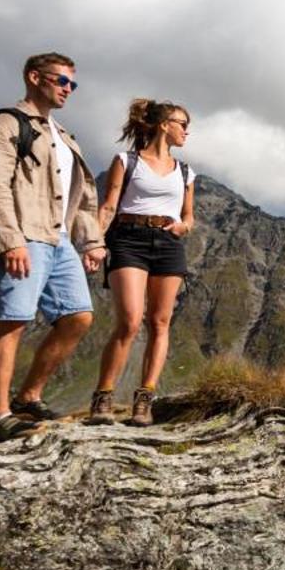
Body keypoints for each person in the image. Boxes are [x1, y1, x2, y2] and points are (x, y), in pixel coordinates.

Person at [0, 52, 106, 439]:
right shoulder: (5, 124)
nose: (68, 89)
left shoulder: (64, 136)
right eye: (62, 81)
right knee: (13, 319)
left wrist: (92, 242)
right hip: (25, 234)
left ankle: (29, 396)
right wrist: (10, 240)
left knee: (78, 316)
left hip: (60, 238)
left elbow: (81, 197)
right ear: (35, 77)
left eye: (72, 84)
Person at [86, 99, 196, 427]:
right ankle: (103, 397)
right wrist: (94, 243)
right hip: (128, 239)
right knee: (130, 321)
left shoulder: (187, 171)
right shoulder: (126, 161)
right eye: (182, 124)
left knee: (160, 323)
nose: (186, 132)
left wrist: (183, 226)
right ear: (164, 124)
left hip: (168, 244)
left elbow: (190, 216)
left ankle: (144, 401)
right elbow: (108, 206)